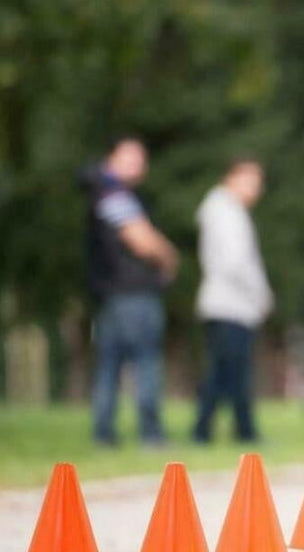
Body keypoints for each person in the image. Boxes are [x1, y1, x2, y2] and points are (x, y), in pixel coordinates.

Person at [81, 137, 178, 446]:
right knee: (145, 363)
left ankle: (104, 434)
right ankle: (150, 435)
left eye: (141, 159)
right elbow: (141, 239)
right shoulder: (114, 192)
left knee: (110, 364)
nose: (138, 165)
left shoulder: (103, 191)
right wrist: (168, 256)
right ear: (111, 158)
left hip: (113, 293)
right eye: (130, 158)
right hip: (131, 293)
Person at [193, 158, 273, 443]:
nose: (255, 190)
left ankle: (234, 429)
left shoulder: (227, 211)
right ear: (231, 177)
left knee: (230, 373)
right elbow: (235, 263)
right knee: (226, 374)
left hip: (234, 305)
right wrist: (260, 294)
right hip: (229, 304)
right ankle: (215, 431)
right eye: (249, 181)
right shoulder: (224, 212)